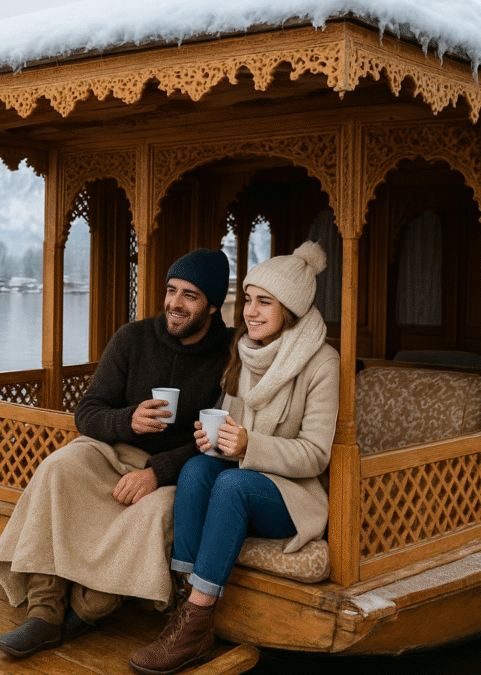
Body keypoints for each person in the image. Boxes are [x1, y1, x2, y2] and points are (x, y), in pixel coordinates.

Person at [0, 248, 234, 659]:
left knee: (155, 515)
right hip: (111, 452)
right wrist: (129, 421)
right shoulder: (132, 338)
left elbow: (218, 441)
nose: (175, 303)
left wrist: (157, 471)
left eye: (190, 295)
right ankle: (45, 613)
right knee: (58, 468)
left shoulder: (230, 355)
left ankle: (86, 611)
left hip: (180, 471)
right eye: (171, 290)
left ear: (212, 304)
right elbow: (87, 413)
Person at [130, 241, 340, 675]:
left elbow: (316, 455)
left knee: (230, 484)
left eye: (265, 302)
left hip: (290, 495)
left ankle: (195, 626)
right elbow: (229, 430)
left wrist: (248, 446)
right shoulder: (244, 352)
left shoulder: (322, 362)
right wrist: (214, 440)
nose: (251, 312)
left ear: (291, 310)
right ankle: (184, 594)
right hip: (242, 475)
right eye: (247, 300)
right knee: (196, 469)